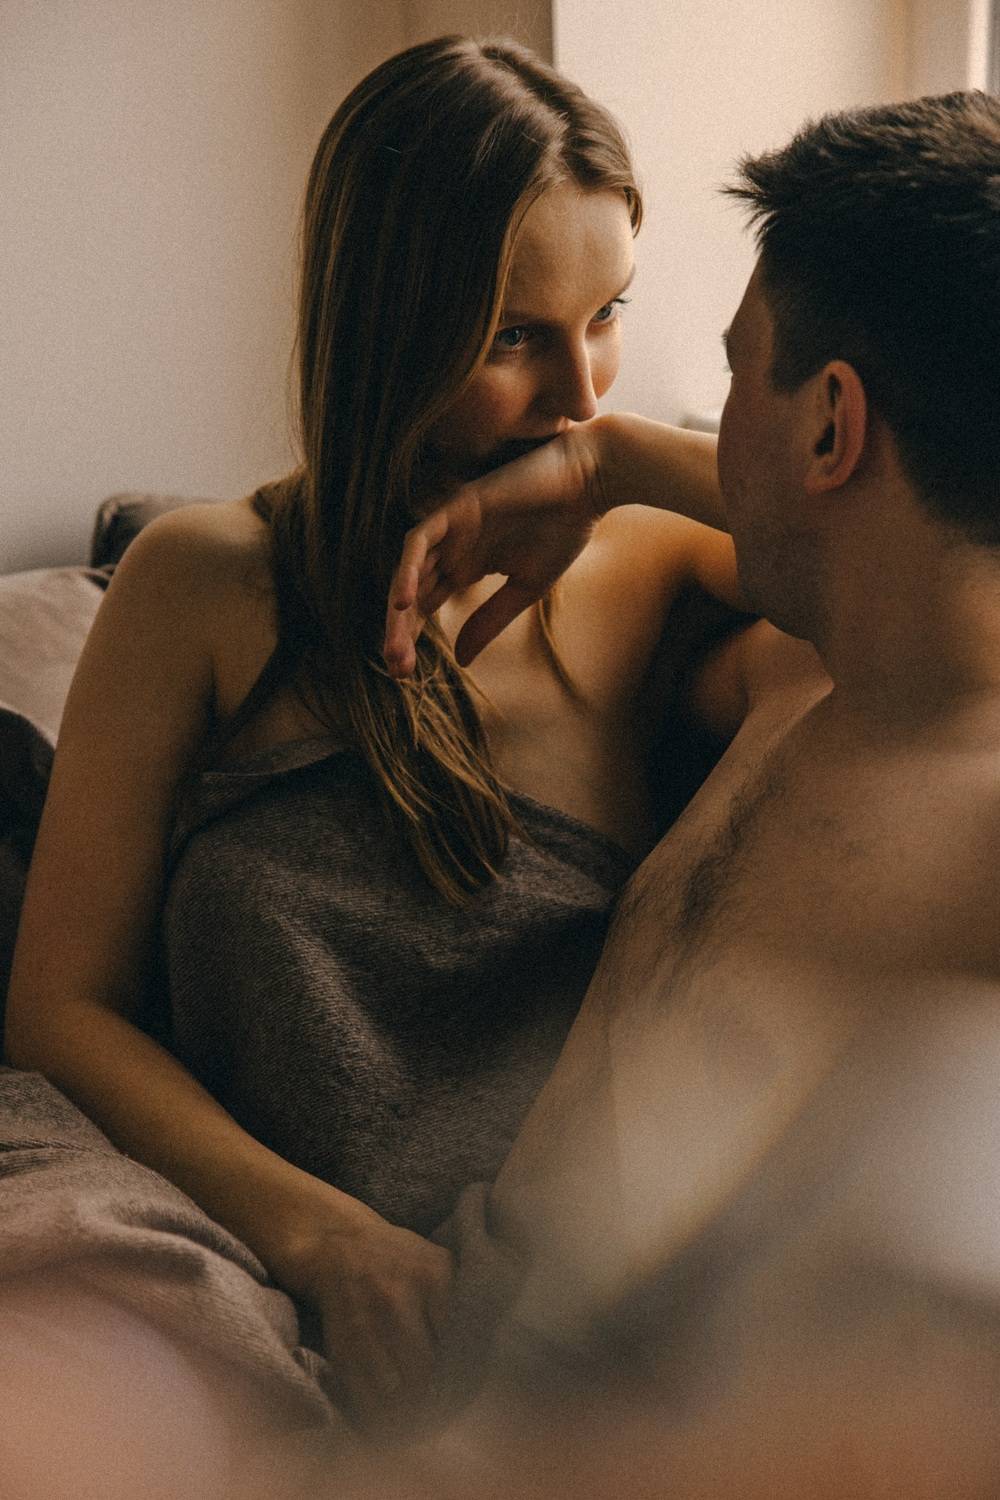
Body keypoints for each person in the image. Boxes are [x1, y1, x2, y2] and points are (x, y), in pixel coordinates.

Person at [4, 35, 746, 1433]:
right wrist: (324, 1239)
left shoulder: (647, 564)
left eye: (609, 315)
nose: (581, 389)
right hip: (227, 1234)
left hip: (528, 1281)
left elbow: (938, 572)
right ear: (386, 325)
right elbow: (60, 1009)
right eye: (514, 337)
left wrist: (622, 462)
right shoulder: (205, 581)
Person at [385, 90, 1000, 1482]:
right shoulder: (799, 681)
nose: (703, 429)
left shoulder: (979, 849)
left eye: (733, 381)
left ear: (830, 424)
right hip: (439, 1370)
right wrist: (602, 464)